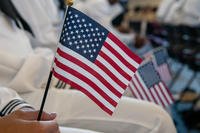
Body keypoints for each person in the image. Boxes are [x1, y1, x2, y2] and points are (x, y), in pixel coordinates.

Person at [0, 3, 177, 133]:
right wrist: (68, 78)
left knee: (148, 80)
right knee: (156, 119)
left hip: (41, 73)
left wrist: (127, 39)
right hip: (27, 87)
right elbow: (46, 41)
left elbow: (32, 42)